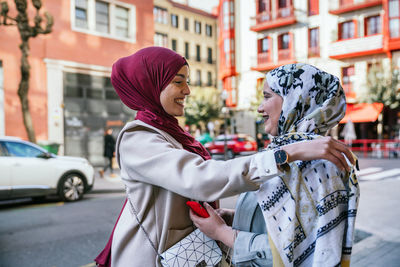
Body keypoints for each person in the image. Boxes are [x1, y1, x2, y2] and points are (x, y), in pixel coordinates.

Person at [94, 48, 355, 267]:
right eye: (178, 81)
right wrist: (286, 153)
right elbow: (200, 178)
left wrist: (226, 224)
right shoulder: (139, 137)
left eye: (187, 81)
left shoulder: (170, 132)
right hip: (152, 258)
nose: (187, 90)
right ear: (149, 83)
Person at [190, 64, 359, 267]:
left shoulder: (319, 164)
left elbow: (298, 252)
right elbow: (285, 221)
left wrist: (222, 233)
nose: (260, 107)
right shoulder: (281, 152)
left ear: (295, 100)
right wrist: (236, 216)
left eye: (267, 96)